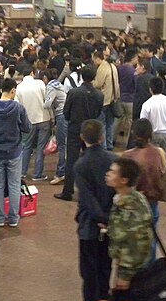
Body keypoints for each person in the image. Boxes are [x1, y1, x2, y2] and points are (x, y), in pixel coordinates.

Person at [103, 157, 154, 301]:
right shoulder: (126, 199)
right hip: (129, 264)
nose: (108, 174)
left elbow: (135, 242)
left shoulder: (131, 206)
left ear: (123, 180)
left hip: (130, 266)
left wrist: (125, 274)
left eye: (113, 172)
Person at [73, 120, 116, 301]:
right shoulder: (113, 160)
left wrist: (98, 217)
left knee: (88, 268)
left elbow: (87, 198)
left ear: (82, 138)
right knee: (105, 264)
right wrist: (107, 218)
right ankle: (104, 298)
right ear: (102, 137)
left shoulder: (81, 164)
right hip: (110, 223)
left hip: (89, 225)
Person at [0, 78, 31, 228]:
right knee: (14, 184)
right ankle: (13, 218)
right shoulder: (18, 108)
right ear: (13, 91)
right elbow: (27, 128)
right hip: (14, 152)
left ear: (1, 90)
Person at [56, 64, 103, 201]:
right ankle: (92, 190)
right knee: (92, 160)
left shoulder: (74, 93)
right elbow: (98, 112)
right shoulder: (99, 95)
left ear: (82, 76)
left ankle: (68, 191)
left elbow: (66, 112)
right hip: (91, 130)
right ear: (94, 77)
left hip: (75, 129)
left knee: (71, 160)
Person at [122, 118, 166, 233]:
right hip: (152, 203)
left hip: (132, 204)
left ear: (133, 133)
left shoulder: (127, 156)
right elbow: (163, 173)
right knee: (151, 240)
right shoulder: (159, 152)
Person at [15, 63, 51, 181]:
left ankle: (22, 172)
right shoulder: (40, 83)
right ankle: (37, 174)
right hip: (44, 118)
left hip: (28, 121)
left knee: (26, 146)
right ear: (32, 73)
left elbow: (17, 106)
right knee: (41, 148)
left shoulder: (19, 88)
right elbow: (47, 99)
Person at [140, 77, 166, 155]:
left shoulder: (147, 104)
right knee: (164, 157)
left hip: (153, 134)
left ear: (150, 89)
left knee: (153, 157)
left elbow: (143, 122)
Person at [92, 48, 120, 150]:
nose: (93, 62)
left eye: (94, 59)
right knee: (110, 125)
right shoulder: (113, 66)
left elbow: (98, 84)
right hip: (113, 99)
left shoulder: (102, 68)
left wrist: (91, 82)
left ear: (97, 59)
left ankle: (103, 147)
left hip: (104, 101)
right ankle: (109, 144)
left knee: (102, 124)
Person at [44, 68, 68, 185]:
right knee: (64, 145)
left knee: (62, 145)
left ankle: (61, 173)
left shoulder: (51, 86)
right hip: (64, 114)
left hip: (61, 115)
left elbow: (47, 103)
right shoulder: (58, 84)